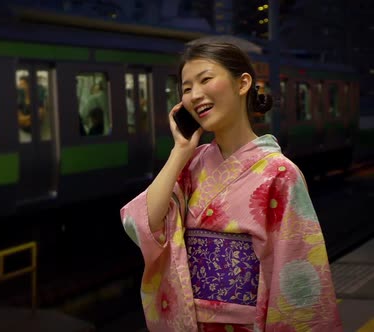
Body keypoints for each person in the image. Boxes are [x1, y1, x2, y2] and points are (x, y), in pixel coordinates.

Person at [120, 42, 341, 331]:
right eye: (186, 88)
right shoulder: (190, 165)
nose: (195, 95)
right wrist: (180, 150)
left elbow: (295, 269)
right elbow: (143, 225)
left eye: (206, 79)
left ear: (243, 83)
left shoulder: (280, 173)